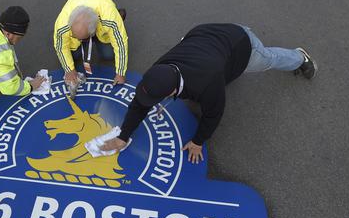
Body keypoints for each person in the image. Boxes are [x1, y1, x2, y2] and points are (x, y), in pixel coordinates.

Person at [100, 23, 318, 163]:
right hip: (203, 36)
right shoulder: (158, 71)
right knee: (216, 78)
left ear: (173, 91)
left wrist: (197, 141)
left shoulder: (206, 83)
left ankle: (300, 58)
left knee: (268, 60)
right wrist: (123, 136)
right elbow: (139, 105)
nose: (149, 102)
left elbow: (214, 114)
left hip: (241, 43)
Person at [54, 0, 128, 86]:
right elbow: (60, 47)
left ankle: (118, 19)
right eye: (75, 35)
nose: (80, 40)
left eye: (83, 39)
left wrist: (120, 73)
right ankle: (81, 38)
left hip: (103, 14)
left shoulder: (110, 19)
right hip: (78, 4)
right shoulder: (62, 25)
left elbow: (121, 44)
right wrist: (69, 70)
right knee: (74, 55)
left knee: (108, 54)